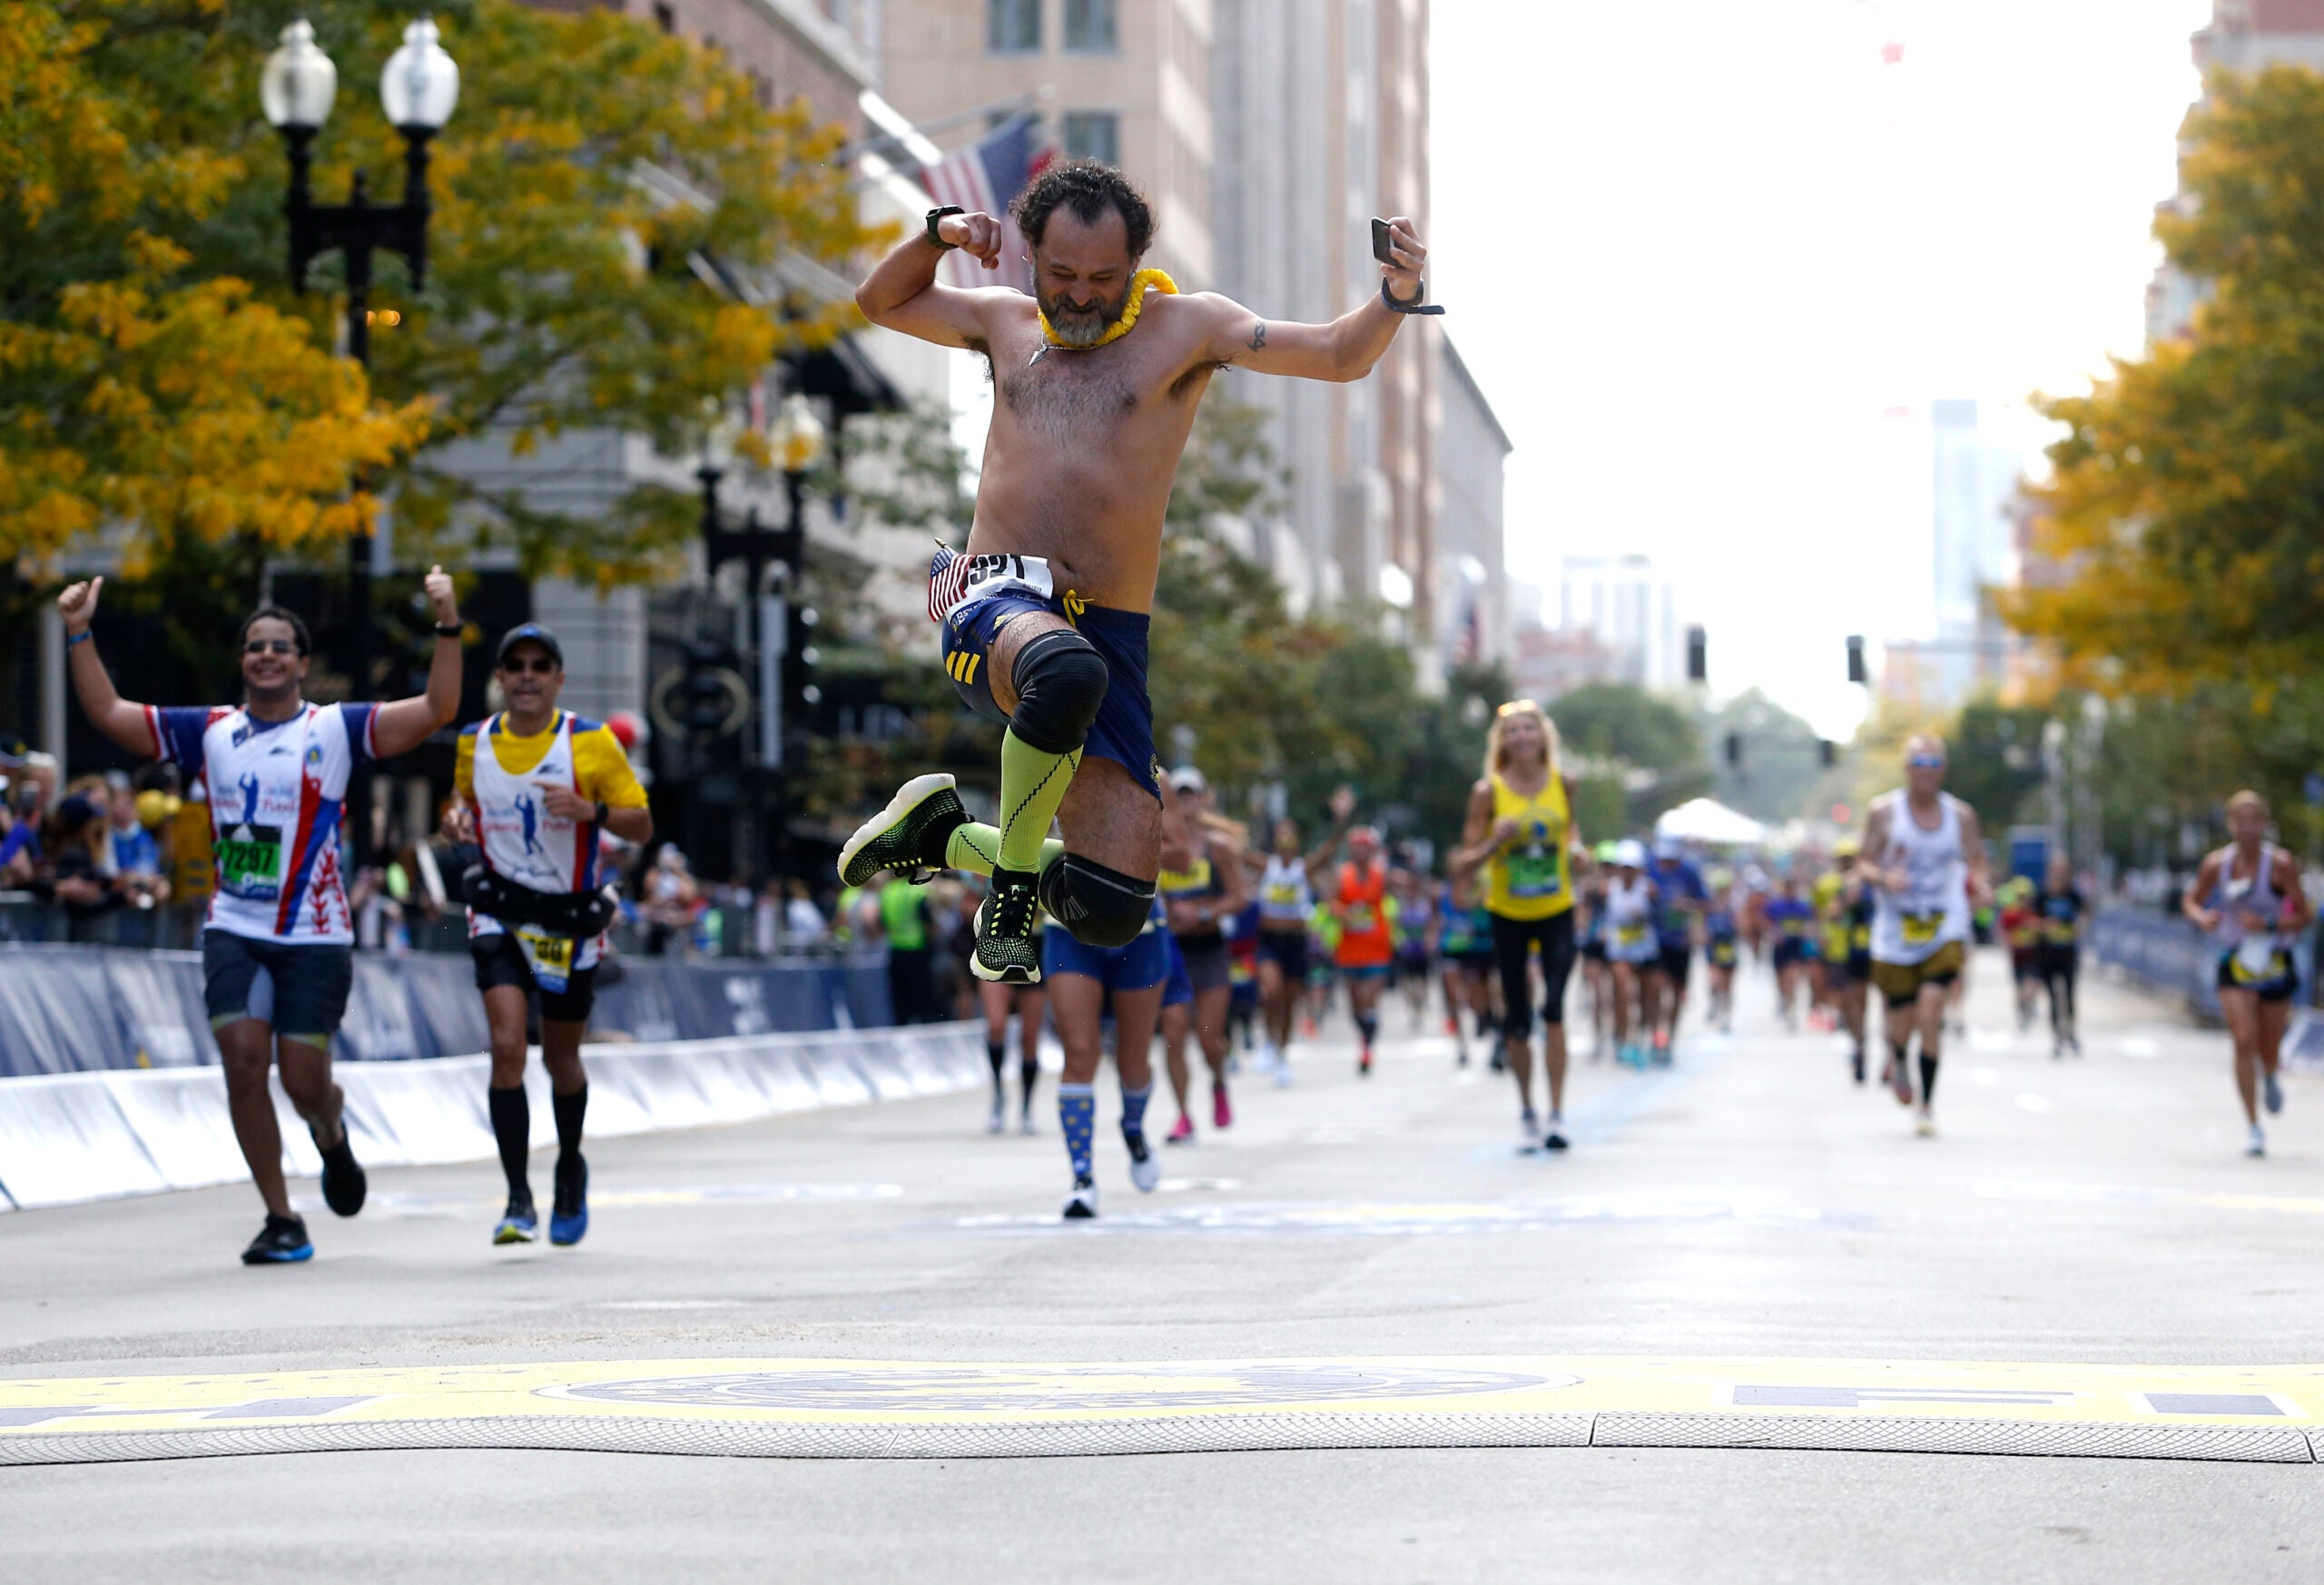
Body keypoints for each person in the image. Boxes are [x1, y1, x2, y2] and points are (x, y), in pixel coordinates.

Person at [837, 160, 1438, 988]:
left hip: (1111, 629)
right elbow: (881, 302)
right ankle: (1009, 897)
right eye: (1061, 276)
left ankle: (938, 836)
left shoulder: (1189, 330)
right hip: (995, 602)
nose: (1079, 297)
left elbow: (1338, 355)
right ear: (1028, 260)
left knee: (1110, 903)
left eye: (1103, 279)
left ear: (1137, 265)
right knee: (1063, 670)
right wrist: (935, 234)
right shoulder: (1005, 324)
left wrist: (1396, 293)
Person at [59, 568, 465, 1263]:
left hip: (315, 934)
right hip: (235, 929)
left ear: (303, 663)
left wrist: (448, 621)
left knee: (303, 1080)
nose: (267, 657)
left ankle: (329, 1132)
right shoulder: (211, 732)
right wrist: (78, 631)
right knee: (245, 1064)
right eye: (255, 647)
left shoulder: (336, 728)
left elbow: (436, 708)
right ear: (243, 662)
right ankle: (281, 1218)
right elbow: (109, 715)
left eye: (281, 647)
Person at [456, 623, 651, 1246]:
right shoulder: (472, 742)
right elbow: (459, 807)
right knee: (507, 1045)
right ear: (501, 678)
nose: (528, 676)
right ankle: (517, 1198)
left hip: (565, 923)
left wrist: (590, 810)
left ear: (558, 679)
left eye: (541, 666)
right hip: (498, 916)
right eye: (516, 666)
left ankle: (569, 1166)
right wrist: (454, 820)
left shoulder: (589, 742)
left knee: (561, 1058)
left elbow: (642, 823)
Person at [1452, 700, 1588, 1142]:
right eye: (1511, 732)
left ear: (1543, 736)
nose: (1521, 737)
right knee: (1517, 1017)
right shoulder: (1487, 793)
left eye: (1528, 729)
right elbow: (1463, 861)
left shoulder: (1564, 783)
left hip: (1556, 910)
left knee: (1553, 1010)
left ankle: (1558, 1114)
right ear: (1502, 743)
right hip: (1507, 913)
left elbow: (1570, 831)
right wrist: (1494, 843)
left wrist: (1578, 852)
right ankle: (1528, 1109)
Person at [1856, 734, 1991, 1137]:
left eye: (1933, 764)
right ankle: (1898, 1058)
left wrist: (1980, 885)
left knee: (1931, 1013)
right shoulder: (1884, 812)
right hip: (1896, 931)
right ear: (1906, 768)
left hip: (1943, 926)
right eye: (1919, 763)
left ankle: (1926, 1105)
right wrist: (1882, 876)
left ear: (1943, 770)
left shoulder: (1961, 816)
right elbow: (1862, 863)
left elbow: (1977, 862)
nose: (1926, 772)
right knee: (1902, 1022)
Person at [2182, 792, 2311, 1157]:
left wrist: (2269, 922)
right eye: (2241, 819)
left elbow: (2303, 914)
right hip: (2235, 960)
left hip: (2273, 960)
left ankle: (2269, 1074)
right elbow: (2191, 899)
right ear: (2231, 824)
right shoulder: (2216, 865)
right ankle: (2253, 1125)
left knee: (2268, 1044)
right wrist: (2201, 917)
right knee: (2243, 1038)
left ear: (2265, 824)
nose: (2248, 827)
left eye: (2255, 819)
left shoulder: (2281, 864)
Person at [1154, 769, 1249, 1123]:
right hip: (1172, 950)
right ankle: (1182, 1115)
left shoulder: (1218, 848)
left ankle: (1219, 1082)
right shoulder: (1156, 844)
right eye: (1179, 794)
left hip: (1209, 950)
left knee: (1209, 1040)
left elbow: (1240, 897)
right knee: (1174, 1033)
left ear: (1205, 798)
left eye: (1192, 794)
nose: (1186, 801)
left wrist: (1205, 911)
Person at [1246, 789, 1354, 1084]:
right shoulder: (1264, 866)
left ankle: (1282, 1055)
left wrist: (1341, 820)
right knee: (1271, 992)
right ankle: (1269, 1042)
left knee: (1290, 1002)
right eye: (1281, 837)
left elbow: (1330, 849)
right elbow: (1234, 850)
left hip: (1295, 943)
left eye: (1290, 838)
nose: (1285, 843)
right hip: (1269, 940)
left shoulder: (1303, 869)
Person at [1331, 825, 1400, 1075]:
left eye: (1365, 847)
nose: (1361, 851)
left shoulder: (1382, 875)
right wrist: (1344, 912)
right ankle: (1364, 1038)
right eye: (1357, 847)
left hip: (1376, 950)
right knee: (1355, 1005)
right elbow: (1330, 903)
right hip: (1349, 950)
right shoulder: (1342, 875)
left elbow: (1404, 887)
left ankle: (1366, 1048)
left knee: (1370, 1001)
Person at [1644, 835, 1705, 1065]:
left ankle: (1669, 1037)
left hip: (1680, 943)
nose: (1667, 865)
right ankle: (1655, 1036)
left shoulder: (1689, 872)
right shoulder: (1649, 869)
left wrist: (1687, 906)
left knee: (1677, 995)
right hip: (1655, 941)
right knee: (1657, 988)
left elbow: (1703, 902)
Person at [980, 961, 1047, 1135]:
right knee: (996, 1025)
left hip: (1032, 958)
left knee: (1030, 1037)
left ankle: (1026, 1106)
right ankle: (998, 1093)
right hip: (995, 953)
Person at [2034, 853, 2084, 1058]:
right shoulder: (2042, 895)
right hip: (2047, 952)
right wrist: (2045, 926)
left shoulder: (2073, 895)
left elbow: (2084, 914)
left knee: (2069, 994)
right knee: (2053, 996)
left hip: (2068, 952)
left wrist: (2078, 926)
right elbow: (2031, 919)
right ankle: (2057, 1035)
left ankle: (2070, 1031)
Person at [1763, 871, 1815, 1030]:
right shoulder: (1774, 905)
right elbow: (1763, 921)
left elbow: (1810, 922)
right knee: (1780, 980)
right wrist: (1771, 933)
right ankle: (1783, 999)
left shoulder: (1803, 906)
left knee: (1792, 979)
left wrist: (1808, 934)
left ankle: (1791, 1011)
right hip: (1780, 948)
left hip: (1796, 948)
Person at [1999, 876, 2043, 1033]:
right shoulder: (2011, 914)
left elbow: (2044, 928)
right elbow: (2004, 933)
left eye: (2026, 897)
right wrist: (2011, 941)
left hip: (2034, 956)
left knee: (2032, 986)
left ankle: (2029, 1006)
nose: (2023, 900)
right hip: (2018, 957)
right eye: (2020, 897)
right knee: (2020, 989)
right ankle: (2022, 1012)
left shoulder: (2035, 912)